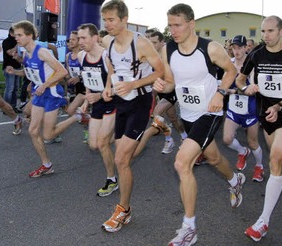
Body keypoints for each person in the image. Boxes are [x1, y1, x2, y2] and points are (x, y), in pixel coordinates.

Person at [152, 4, 245, 245]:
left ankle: (189, 228)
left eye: (178, 25)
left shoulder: (209, 47)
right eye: (170, 25)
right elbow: (172, 83)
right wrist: (163, 86)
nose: (173, 30)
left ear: (191, 24)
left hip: (210, 111)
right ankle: (235, 180)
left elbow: (231, 70)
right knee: (213, 158)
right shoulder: (168, 49)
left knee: (182, 163)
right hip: (189, 114)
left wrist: (221, 93)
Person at [237, 16, 282, 242]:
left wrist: (279, 105)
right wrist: (248, 86)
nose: (266, 35)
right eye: (263, 31)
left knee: (275, 159)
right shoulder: (256, 54)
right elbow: (240, 79)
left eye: (270, 31)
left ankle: (263, 221)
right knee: (280, 155)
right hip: (266, 113)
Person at [99, 0, 164, 233]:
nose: (107, 24)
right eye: (105, 20)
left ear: (124, 19)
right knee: (125, 156)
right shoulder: (107, 46)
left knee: (121, 160)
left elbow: (160, 71)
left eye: (111, 20)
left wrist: (134, 84)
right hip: (121, 101)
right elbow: (113, 73)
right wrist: (107, 88)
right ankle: (153, 130)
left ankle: (123, 210)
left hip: (140, 101)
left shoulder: (141, 43)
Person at [5, 20, 85, 177]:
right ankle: (46, 165)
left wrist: (45, 85)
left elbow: (61, 71)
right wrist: (15, 72)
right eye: (16, 36)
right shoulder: (26, 53)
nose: (17, 38)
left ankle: (77, 116)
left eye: (20, 35)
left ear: (30, 35)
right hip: (39, 93)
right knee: (33, 131)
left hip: (52, 92)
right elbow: (30, 74)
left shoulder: (42, 52)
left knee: (48, 135)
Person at [76, 23, 118, 196]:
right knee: (94, 144)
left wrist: (100, 95)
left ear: (95, 38)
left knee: (102, 143)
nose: (80, 41)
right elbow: (87, 78)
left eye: (84, 38)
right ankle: (119, 134)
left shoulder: (107, 56)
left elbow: (119, 86)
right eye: (79, 38)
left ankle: (112, 180)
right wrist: (87, 98)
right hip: (97, 103)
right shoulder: (81, 56)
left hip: (113, 101)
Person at [132, 30, 187, 157]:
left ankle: (169, 139)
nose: (152, 45)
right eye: (150, 42)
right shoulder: (148, 56)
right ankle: (184, 136)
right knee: (173, 118)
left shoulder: (169, 55)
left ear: (162, 43)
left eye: (155, 42)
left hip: (171, 89)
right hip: (159, 91)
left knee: (157, 113)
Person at [222, 34, 263, 182]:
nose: (236, 51)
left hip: (250, 107)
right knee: (227, 139)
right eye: (234, 47)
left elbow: (253, 88)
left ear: (246, 48)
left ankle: (259, 166)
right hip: (234, 107)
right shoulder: (229, 63)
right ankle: (242, 151)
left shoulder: (252, 65)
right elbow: (223, 84)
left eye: (240, 47)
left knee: (253, 142)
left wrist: (233, 90)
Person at [2, 27, 22, 112]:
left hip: (17, 66)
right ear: (11, 33)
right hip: (8, 66)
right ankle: (6, 108)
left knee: (16, 88)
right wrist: (17, 45)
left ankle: (13, 106)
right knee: (9, 88)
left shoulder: (19, 41)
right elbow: (10, 52)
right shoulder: (6, 41)